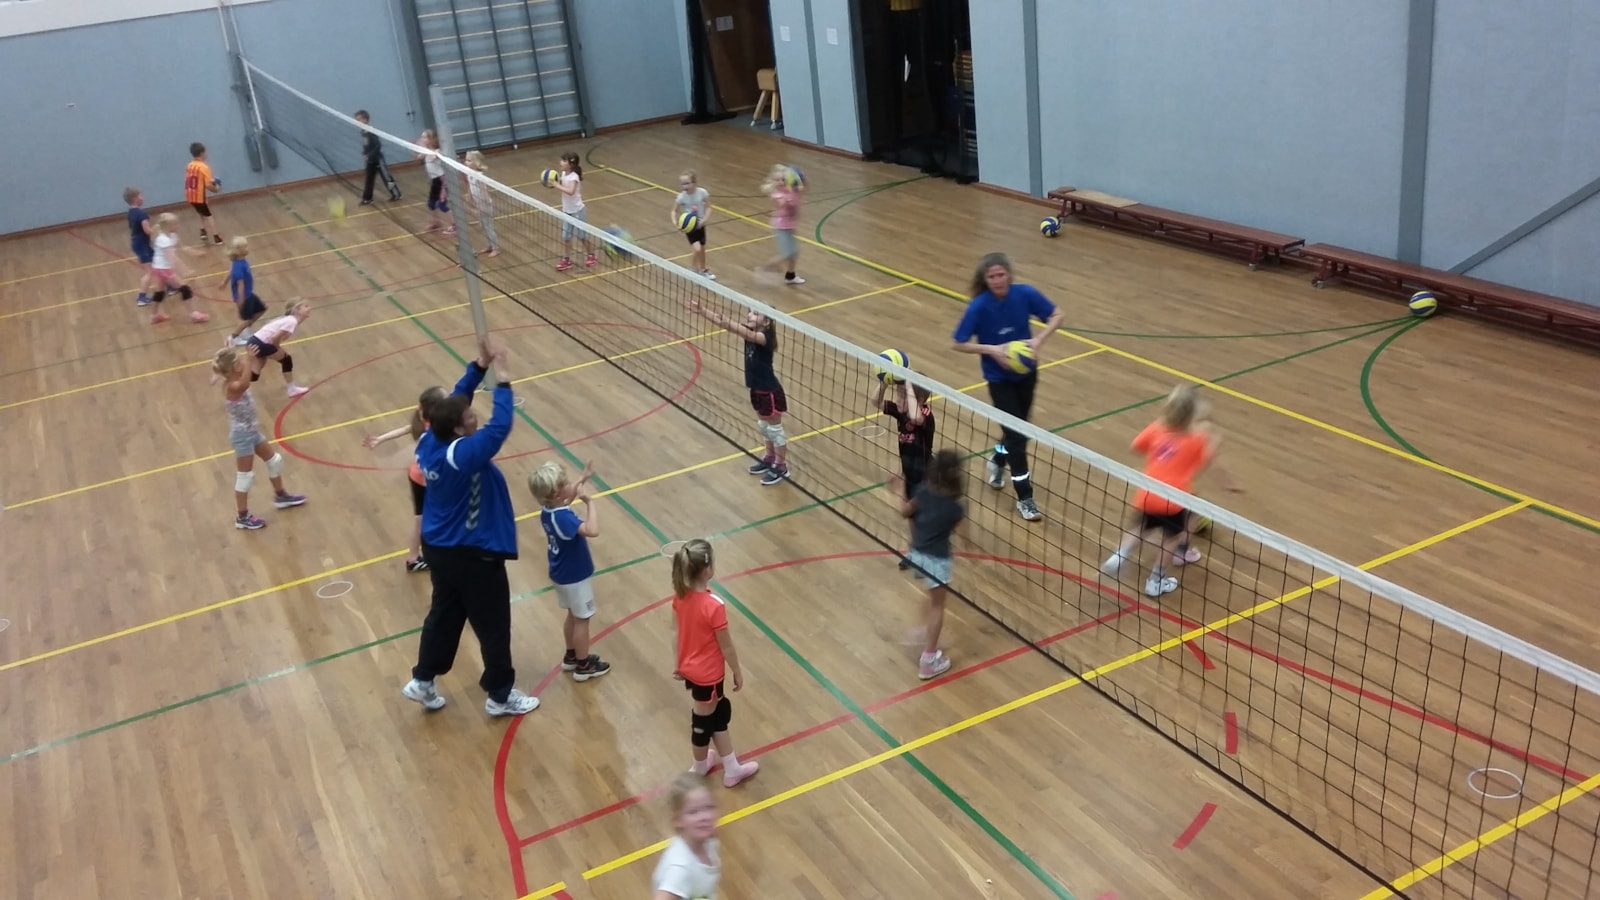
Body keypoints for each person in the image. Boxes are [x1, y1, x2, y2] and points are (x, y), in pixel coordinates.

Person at [402, 337, 539, 717]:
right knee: (493, 624)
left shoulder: (429, 440)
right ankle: (500, 695)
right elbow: (500, 426)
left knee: (445, 615)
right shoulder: (463, 456)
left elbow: (457, 398)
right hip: (472, 553)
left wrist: (479, 365)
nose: (473, 413)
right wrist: (503, 377)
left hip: (439, 548)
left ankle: (423, 680)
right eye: (469, 416)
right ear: (460, 430)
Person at [950, 252, 1064, 522]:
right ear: (985, 279)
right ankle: (1025, 498)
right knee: (1017, 436)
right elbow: (958, 342)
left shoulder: (1025, 294)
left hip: (1026, 374)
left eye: (1001, 274)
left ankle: (998, 459)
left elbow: (1058, 315)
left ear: (1009, 275)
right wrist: (992, 350)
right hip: (999, 380)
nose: (997, 280)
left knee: (1018, 430)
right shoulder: (979, 306)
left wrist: (1038, 341)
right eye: (992, 276)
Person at [1101, 384, 1241, 597]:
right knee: (1171, 539)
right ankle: (1156, 580)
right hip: (1174, 499)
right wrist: (1216, 448)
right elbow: (1208, 461)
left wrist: (1159, 453)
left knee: (1141, 529)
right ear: (1191, 416)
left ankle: (1119, 556)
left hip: (1148, 493)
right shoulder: (1196, 439)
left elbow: (1136, 446)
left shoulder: (1156, 427)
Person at [671, 538, 759, 787]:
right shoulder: (714, 606)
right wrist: (737, 671)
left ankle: (731, 767)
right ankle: (699, 766)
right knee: (702, 722)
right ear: (708, 569)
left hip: (691, 670)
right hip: (708, 675)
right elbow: (726, 646)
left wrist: (679, 662)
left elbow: (676, 633)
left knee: (718, 714)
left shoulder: (680, 597)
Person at [686, 298, 789, 485]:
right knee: (764, 426)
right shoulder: (751, 331)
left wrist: (728, 322)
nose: (750, 315)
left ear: (767, 322)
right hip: (756, 389)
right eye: (750, 311)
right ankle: (769, 457)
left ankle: (781, 466)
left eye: (756, 313)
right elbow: (724, 323)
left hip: (769, 391)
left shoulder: (764, 338)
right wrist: (702, 310)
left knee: (775, 430)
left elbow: (737, 329)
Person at [528, 460, 612, 681]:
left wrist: (582, 478)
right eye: (566, 483)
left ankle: (571, 656)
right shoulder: (564, 517)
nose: (570, 485)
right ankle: (583, 666)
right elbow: (592, 530)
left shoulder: (549, 511)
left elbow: (566, 498)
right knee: (582, 619)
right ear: (557, 494)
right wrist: (589, 502)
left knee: (573, 616)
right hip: (575, 576)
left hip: (561, 575)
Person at [210, 347, 307, 530]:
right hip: (243, 437)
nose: (243, 363)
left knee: (274, 461)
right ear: (234, 368)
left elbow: (253, 373)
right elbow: (246, 382)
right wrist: (249, 358)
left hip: (252, 432)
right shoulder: (233, 386)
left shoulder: (237, 379)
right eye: (239, 362)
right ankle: (242, 517)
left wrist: (257, 358)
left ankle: (281, 496)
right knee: (245, 476)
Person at [890, 448, 964, 679]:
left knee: (930, 597)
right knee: (937, 607)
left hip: (916, 554)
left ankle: (926, 632)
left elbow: (904, 512)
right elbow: (963, 537)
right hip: (937, 560)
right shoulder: (956, 508)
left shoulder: (922, 491)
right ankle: (929, 660)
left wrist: (899, 490)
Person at [362, 386, 448, 573]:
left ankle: (414, 557)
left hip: (415, 474)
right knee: (425, 519)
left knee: (421, 518)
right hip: (425, 478)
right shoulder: (436, 428)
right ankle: (417, 557)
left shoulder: (423, 420)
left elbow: (405, 429)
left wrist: (380, 439)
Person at [874, 377, 934, 569]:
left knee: (917, 515)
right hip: (909, 473)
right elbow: (876, 402)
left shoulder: (925, 415)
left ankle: (927, 551)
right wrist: (883, 382)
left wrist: (909, 385)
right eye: (897, 395)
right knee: (912, 517)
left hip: (926, 477)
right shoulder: (901, 414)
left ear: (920, 400)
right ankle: (917, 551)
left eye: (902, 396)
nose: (897, 400)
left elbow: (916, 418)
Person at [651, 772, 723, 900]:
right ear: (677, 820)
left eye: (709, 808)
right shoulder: (681, 868)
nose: (704, 817)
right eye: (693, 812)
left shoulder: (708, 842)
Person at [146, 213, 210, 325]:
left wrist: (197, 253)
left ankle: (154, 316)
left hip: (160, 267)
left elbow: (183, 247)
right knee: (185, 289)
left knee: (160, 292)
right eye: (175, 224)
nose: (178, 226)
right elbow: (172, 258)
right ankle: (193, 314)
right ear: (168, 226)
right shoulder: (163, 240)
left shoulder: (173, 236)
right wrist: (183, 271)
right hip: (163, 269)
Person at [245, 299, 312, 397]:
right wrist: (277, 347)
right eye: (306, 306)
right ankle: (291, 389)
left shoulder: (289, 320)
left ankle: (237, 380)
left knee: (255, 374)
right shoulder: (292, 321)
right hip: (262, 343)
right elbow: (275, 337)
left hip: (254, 341)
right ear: (297, 310)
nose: (309, 308)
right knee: (286, 360)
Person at [755, 164, 804, 285]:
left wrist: (800, 180)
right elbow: (782, 204)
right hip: (781, 226)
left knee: (794, 253)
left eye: (783, 179)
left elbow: (804, 188)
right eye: (778, 180)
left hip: (790, 225)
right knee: (786, 254)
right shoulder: (777, 194)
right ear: (774, 182)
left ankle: (790, 276)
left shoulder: (791, 190)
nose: (781, 182)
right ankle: (764, 268)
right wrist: (789, 198)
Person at [548, 151, 596, 271]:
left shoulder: (574, 177)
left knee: (582, 236)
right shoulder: (564, 173)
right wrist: (554, 182)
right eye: (561, 160)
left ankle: (591, 255)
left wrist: (557, 185)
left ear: (571, 164)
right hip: (567, 211)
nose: (561, 162)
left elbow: (571, 191)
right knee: (566, 237)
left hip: (577, 211)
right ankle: (566, 259)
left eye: (564, 161)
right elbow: (563, 183)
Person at [219, 237, 268, 346]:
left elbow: (230, 271)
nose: (248, 248)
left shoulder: (240, 261)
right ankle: (233, 337)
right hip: (245, 297)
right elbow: (240, 285)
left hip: (249, 293)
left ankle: (245, 330)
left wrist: (224, 282)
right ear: (239, 250)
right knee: (246, 319)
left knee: (262, 309)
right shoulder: (238, 267)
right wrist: (241, 301)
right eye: (245, 247)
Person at [672, 170, 714, 280]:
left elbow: (709, 208)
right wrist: (675, 223)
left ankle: (700, 269)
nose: (684, 186)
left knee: (702, 249)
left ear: (694, 183)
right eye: (682, 184)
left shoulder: (702, 192)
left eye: (687, 183)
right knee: (697, 248)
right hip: (689, 226)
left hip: (700, 225)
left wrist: (704, 220)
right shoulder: (681, 197)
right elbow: (674, 211)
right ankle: (696, 269)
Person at [354, 110, 401, 205]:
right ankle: (367, 198)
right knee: (369, 179)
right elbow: (366, 146)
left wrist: (369, 155)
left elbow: (378, 146)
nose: (358, 122)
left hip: (378, 159)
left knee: (387, 178)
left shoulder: (372, 131)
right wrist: (364, 153)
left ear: (365, 119)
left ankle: (396, 194)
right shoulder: (363, 132)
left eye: (359, 120)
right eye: (356, 120)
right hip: (370, 161)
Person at [184, 142, 223, 245]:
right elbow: (208, 185)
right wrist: (216, 188)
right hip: (198, 195)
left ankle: (202, 231)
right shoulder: (204, 167)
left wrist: (212, 181)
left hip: (190, 194)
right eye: (205, 152)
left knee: (200, 212)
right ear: (202, 153)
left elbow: (195, 179)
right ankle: (216, 237)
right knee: (208, 215)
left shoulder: (189, 165)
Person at [463, 151, 500, 257]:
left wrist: (483, 206)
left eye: (469, 160)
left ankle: (496, 248)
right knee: (483, 226)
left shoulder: (479, 176)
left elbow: (484, 192)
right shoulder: (469, 173)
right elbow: (470, 186)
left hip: (485, 205)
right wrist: (469, 196)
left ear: (477, 163)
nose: (466, 162)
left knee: (488, 227)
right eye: (466, 160)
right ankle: (489, 245)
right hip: (478, 203)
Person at [124, 186, 156, 306]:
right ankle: (141, 297)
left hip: (138, 243)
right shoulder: (142, 214)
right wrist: (158, 231)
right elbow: (147, 230)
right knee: (149, 272)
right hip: (142, 244)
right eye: (140, 196)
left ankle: (170, 286)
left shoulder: (131, 212)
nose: (142, 198)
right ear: (135, 199)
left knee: (158, 263)